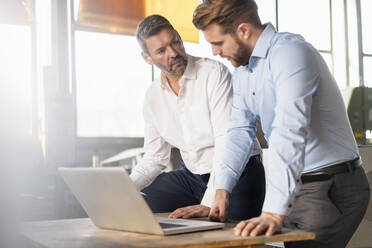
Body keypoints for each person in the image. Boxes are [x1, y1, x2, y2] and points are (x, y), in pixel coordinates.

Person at [192, 0, 370, 247]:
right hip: (299, 187)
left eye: (218, 43)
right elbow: (239, 132)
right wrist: (220, 192)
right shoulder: (244, 72)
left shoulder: (291, 53)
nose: (214, 52)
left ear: (243, 30)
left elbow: (289, 130)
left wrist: (273, 213)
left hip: (330, 188)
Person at [130, 14, 265, 221]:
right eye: (161, 50)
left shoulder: (213, 74)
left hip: (239, 172)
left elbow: (226, 142)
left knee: (231, 236)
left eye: (175, 42)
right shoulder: (152, 97)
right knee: (138, 202)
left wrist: (209, 201)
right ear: (147, 58)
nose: (173, 53)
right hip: (192, 177)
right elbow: (155, 157)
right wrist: (123, 189)